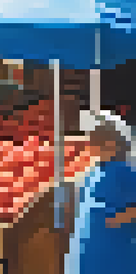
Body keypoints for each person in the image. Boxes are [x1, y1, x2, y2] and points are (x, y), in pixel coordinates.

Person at [67, 109, 136, 273]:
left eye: (96, 137)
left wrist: (119, 219)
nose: (90, 142)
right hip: (85, 258)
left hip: (114, 257)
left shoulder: (126, 170)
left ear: (113, 142)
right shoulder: (90, 174)